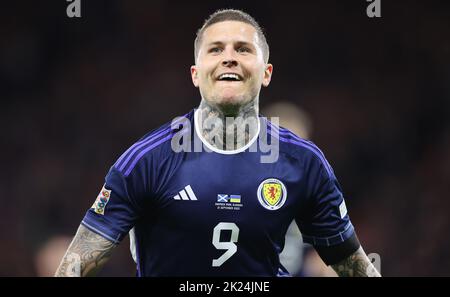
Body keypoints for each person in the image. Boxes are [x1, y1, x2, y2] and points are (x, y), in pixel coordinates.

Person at [55, 9, 380, 277]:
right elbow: (73, 266)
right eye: (216, 49)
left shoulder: (303, 163)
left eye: (243, 48)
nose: (229, 58)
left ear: (266, 73)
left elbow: (353, 266)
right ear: (196, 74)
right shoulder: (147, 160)